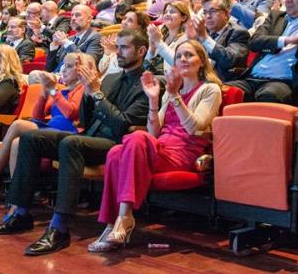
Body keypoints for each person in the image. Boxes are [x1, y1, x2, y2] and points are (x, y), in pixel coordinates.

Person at [0, 29, 149, 256]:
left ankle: (59, 228)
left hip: (115, 144)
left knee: (71, 143)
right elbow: (86, 118)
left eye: (124, 47)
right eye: (117, 47)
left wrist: (97, 94)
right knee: (30, 137)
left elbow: (122, 126)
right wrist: (89, 93)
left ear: (141, 51)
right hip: (91, 136)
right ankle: (20, 213)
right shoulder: (110, 78)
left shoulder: (147, 84)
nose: (118, 52)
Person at [88, 41, 222, 252]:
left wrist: (176, 96)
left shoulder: (210, 90)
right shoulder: (170, 92)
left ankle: (124, 219)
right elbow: (153, 133)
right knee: (115, 152)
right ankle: (111, 224)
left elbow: (193, 127)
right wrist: (153, 100)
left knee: (135, 139)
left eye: (189, 55)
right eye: (179, 56)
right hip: (160, 149)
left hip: (184, 153)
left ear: (202, 61)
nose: (183, 59)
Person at [0, 53, 90, 194]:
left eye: (69, 66)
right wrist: (44, 93)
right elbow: (38, 117)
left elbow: (70, 113)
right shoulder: (62, 91)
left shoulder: (83, 89)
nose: (63, 70)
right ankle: (17, 196)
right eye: (64, 65)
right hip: (50, 130)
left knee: (18, 125)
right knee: (16, 142)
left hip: (69, 133)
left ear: (83, 70)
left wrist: (53, 91)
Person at [188, 0, 249, 84]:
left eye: (212, 11)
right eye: (205, 12)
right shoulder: (202, 32)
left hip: (219, 82)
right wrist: (190, 40)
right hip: (196, 79)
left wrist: (205, 38)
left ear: (227, 14)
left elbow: (230, 60)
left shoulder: (239, 33)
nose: (208, 16)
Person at [145, 1, 190, 75]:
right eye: (165, 12)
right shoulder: (161, 36)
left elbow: (180, 64)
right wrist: (152, 48)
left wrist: (159, 42)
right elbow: (146, 64)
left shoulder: (187, 38)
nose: (167, 14)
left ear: (183, 17)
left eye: (172, 12)